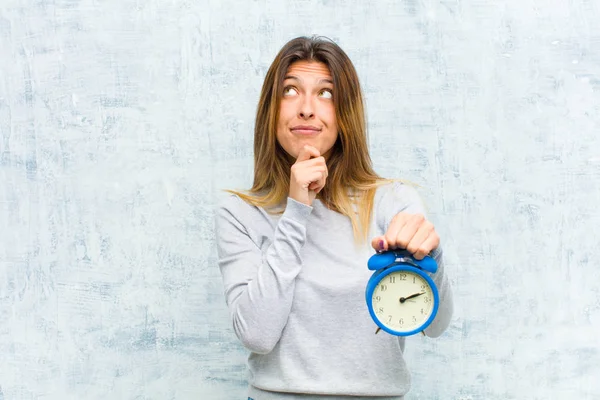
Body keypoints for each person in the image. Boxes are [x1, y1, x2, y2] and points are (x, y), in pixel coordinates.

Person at [214, 35, 453, 400]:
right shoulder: (241, 213)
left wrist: (432, 259)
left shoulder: (393, 201)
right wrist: (297, 210)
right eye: (290, 91)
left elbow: (435, 325)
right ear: (270, 110)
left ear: (345, 114)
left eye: (325, 93)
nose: (307, 109)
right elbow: (257, 335)